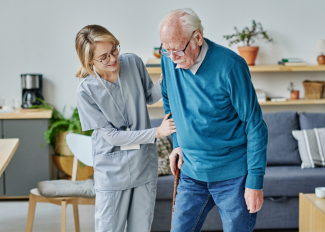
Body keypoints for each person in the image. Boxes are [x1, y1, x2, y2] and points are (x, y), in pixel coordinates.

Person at [159, 8, 268, 232]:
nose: (172, 58)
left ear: (197, 37)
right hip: (191, 171)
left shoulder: (231, 66)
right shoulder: (169, 58)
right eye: (166, 49)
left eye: (177, 50)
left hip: (233, 176)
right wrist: (177, 143)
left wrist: (254, 182)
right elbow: (169, 100)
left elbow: (255, 125)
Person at [75, 25, 175, 232]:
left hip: (143, 165)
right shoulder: (85, 92)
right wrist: (157, 131)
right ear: (89, 61)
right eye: (104, 57)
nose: (113, 59)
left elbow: (150, 95)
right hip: (112, 172)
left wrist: (169, 75)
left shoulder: (132, 62)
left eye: (114, 49)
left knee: (141, 228)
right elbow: (111, 136)